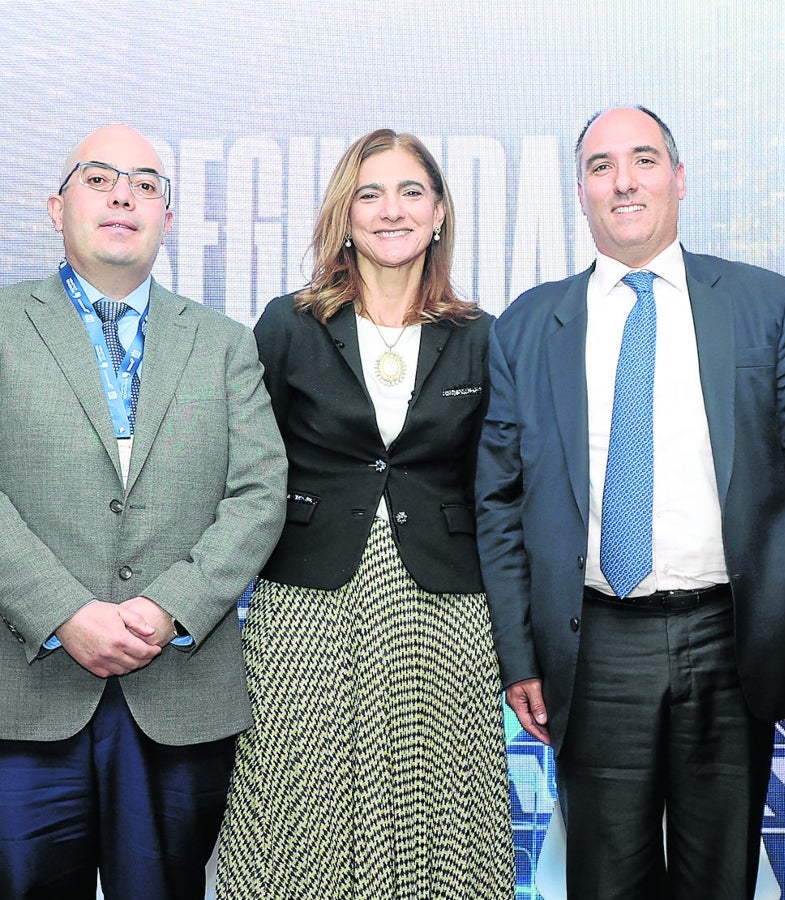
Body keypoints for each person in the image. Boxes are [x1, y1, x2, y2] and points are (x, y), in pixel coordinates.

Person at [475, 106, 785, 899]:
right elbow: (497, 502)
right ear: (580, 192)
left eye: (643, 160)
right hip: (595, 643)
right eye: (602, 166)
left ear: (678, 179)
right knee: (605, 880)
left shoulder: (763, 303)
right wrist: (520, 654)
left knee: (720, 877)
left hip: (731, 634)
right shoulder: (529, 325)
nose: (624, 181)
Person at [215, 129, 515, 900]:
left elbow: (502, 486)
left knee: (441, 809)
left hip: (446, 609)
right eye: (370, 193)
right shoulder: (287, 325)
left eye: (411, 191)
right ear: (344, 215)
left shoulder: (482, 336)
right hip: (306, 605)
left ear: (440, 211)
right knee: (296, 805)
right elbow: (243, 471)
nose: (391, 210)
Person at [0, 125, 287, 900]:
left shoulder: (226, 343)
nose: (124, 194)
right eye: (100, 178)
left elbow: (261, 493)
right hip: (24, 694)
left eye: (146, 183)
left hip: (179, 694)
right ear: (56, 208)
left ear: (167, 217)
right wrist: (62, 611)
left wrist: (170, 607)